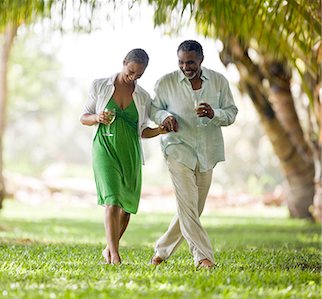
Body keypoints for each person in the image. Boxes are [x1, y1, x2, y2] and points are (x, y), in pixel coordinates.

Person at [149, 40, 238, 268]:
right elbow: (153, 109)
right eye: (181, 62)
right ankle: (203, 258)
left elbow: (231, 112)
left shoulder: (218, 81)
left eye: (190, 62)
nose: (185, 67)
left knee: (193, 208)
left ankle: (161, 250)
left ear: (201, 60)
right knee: (188, 204)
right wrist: (163, 118)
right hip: (177, 148)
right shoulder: (166, 82)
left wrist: (213, 113)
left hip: (207, 151)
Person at [80, 48, 167, 265]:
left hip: (130, 152)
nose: (133, 77)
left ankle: (108, 248)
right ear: (124, 62)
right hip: (104, 148)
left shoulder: (143, 96)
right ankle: (115, 255)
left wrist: (160, 130)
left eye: (138, 75)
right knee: (112, 201)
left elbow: (142, 131)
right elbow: (83, 117)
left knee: (127, 208)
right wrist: (98, 117)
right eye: (130, 72)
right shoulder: (100, 86)